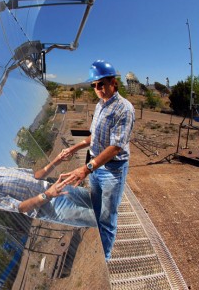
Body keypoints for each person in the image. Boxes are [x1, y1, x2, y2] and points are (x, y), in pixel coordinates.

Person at [60, 60, 135, 262]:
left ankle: (106, 257)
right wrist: (73, 148)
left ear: (113, 82)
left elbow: (115, 147)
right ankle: (100, 244)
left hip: (112, 170)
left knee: (107, 216)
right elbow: (93, 136)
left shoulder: (124, 109)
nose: (97, 89)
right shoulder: (100, 105)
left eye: (101, 84)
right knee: (96, 208)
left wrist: (86, 168)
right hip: (95, 168)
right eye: (93, 85)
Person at [0, 149, 97, 228]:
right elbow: (21, 207)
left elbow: (35, 175)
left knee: (100, 202)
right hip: (51, 207)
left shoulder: (1, 169)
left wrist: (57, 160)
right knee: (99, 218)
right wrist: (47, 195)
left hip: (58, 189)